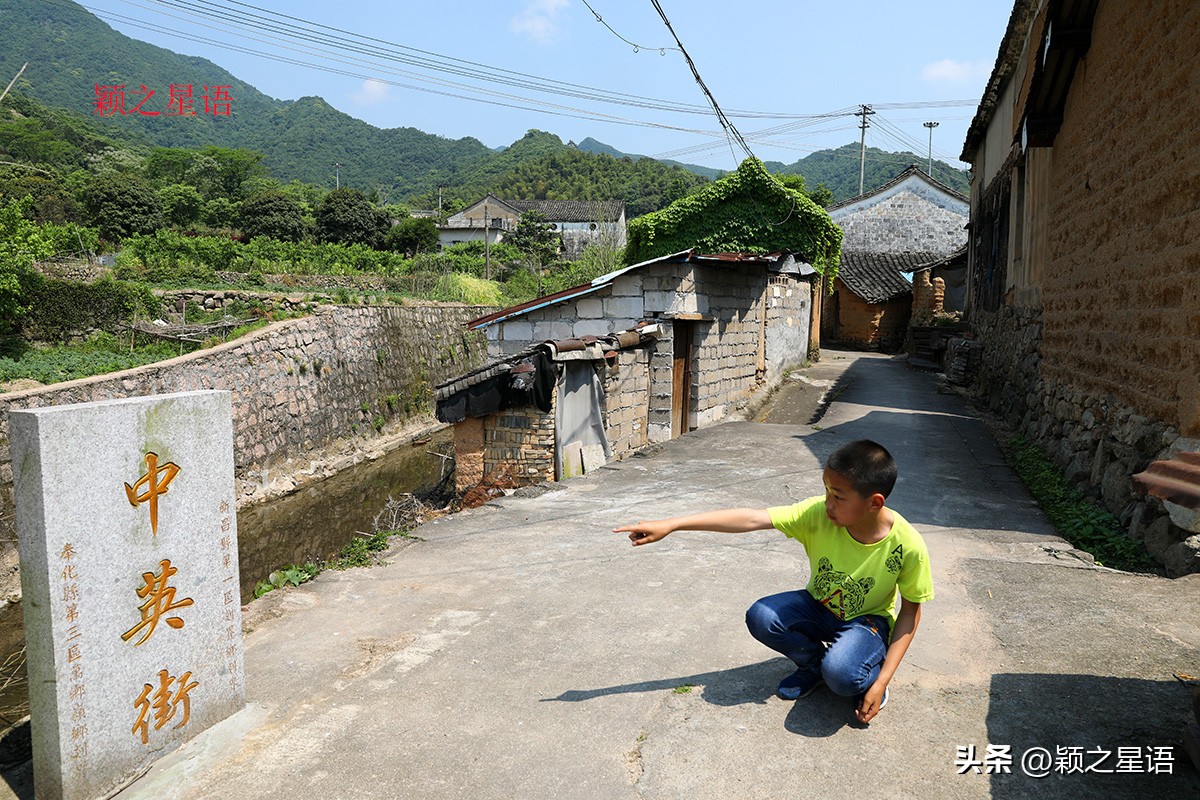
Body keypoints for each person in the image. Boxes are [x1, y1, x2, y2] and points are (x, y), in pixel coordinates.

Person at [614, 439, 933, 724]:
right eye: (825, 491)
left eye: (837, 496)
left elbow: (909, 613)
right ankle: (814, 666)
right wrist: (672, 524)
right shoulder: (818, 515)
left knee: (843, 677)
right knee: (762, 616)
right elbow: (753, 518)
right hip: (819, 608)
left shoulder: (908, 545)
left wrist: (880, 682)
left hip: (867, 622)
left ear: (874, 502)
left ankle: (859, 673)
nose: (827, 504)